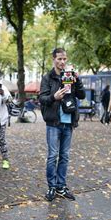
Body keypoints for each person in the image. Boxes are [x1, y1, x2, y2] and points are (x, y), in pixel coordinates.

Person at [38, 48, 85, 202]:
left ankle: (61, 186)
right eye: (59, 59)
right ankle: (51, 186)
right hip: (53, 122)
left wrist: (78, 80)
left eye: (64, 59)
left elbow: (81, 95)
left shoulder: (70, 76)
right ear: (54, 59)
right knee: (52, 156)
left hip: (68, 122)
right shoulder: (48, 78)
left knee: (64, 156)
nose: (62, 62)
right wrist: (54, 96)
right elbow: (42, 99)